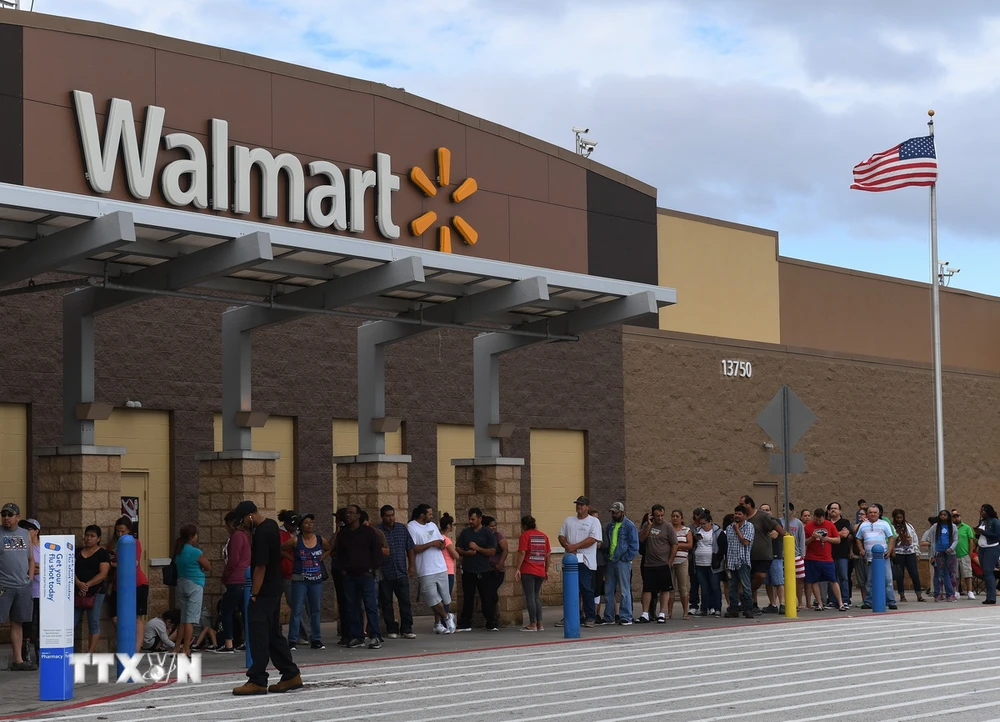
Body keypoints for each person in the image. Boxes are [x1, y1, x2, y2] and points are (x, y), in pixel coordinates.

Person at [231, 500, 302, 695]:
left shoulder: (261, 533)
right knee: (272, 634)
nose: (244, 525)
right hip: (274, 588)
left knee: (258, 634)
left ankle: (257, 679)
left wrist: (254, 594)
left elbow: (260, 566)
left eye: (244, 521)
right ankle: (290, 674)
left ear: (250, 516)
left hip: (263, 592)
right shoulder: (271, 525)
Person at [335, 505, 385, 649]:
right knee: (352, 607)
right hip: (350, 576)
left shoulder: (369, 532)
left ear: (358, 515)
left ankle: (375, 635)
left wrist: (372, 567)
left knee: (370, 606)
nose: (348, 516)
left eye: (351, 513)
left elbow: (377, 552)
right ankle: (357, 636)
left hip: (366, 575)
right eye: (347, 513)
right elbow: (339, 554)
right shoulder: (343, 535)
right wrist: (343, 570)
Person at [282, 513, 331, 649]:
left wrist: (322, 558)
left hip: (316, 579)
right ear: (301, 526)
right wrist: (292, 559)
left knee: (315, 610)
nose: (309, 525)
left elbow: (329, 548)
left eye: (311, 522)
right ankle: (292, 639)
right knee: (297, 610)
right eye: (306, 523)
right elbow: (281, 549)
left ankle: (316, 639)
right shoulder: (296, 540)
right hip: (300, 580)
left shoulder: (320, 539)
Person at [408, 504, 454, 634]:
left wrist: (441, 545)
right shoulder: (412, 527)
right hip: (425, 569)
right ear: (422, 515)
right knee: (433, 599)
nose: (432, 516)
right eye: (429, 514)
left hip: (440, 566)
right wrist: (431, 544)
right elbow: (413, 548)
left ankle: (438, 624)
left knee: (444, 598)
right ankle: (447, 616)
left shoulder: (432, 525)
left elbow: (440, 542)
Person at [557, 496, 602, 627]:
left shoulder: (594, 521)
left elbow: (593, 539)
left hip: (585, 561)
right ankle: (571, 616)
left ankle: (590, 617)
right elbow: (561, 535)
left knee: (586, 589)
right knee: (570, 589)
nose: (579, 507)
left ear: (587, 507)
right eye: (577, 505)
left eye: (582, 505)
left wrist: (574, 547)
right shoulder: (569, 520)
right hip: (570, 559)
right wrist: (567, 546)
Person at [1, 503, 35, 670]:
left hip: (22, 586)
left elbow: (30, 558)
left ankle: (18, 660)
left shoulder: (24, 534)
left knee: (18, 622)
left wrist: (29, 578)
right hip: (3, 586)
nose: (6, 518)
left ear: (17, 517)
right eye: (4, 514)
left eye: (10, 514)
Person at [107, 516, 149, 653]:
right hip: (117, 584)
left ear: (129, 531)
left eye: (123, 532)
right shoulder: (113, 544)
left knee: (137, 617)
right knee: (114, 615)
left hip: (137, 583)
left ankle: (136, 649)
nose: (120, 534)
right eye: (118, 531)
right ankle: (127, 641)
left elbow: (133, 562)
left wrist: (113, 564)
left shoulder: (134, 542)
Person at [374, 505, 415, 640]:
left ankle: (407, 629)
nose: (390, 518)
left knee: (405, 601)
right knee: (386, 602)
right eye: (387, 516)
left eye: (392, 515)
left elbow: (409, 548)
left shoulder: (402, 529)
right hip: (385, 572)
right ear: (382, 517)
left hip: (401, 571)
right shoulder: (377, 531)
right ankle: (391, 628)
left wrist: (411, 566)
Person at [456, 507, 499, 631]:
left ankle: (491, 622)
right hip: (468, 570)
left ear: (480, 519)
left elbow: (492, 551)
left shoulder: (487, 533)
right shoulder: (465, 533)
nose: (471, 521)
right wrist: (466, 553)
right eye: (470, 519)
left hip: (483, 571)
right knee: (468, 597)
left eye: (473, 519)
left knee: (486, 598)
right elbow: (458, 548)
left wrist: (478, 548)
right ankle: (465, 623)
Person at [739, 495, 782, 615]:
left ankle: (745, 595)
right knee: (749, 579)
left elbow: (775, 525)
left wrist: (784, 534)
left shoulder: (762, 516)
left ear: (749, 504)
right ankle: (752, 605)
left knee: (760, 576)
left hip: (763, 554)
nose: (740, 507)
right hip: (748, 555)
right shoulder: (742, 518)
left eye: (742, 504)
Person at [173, 523, 210, 656]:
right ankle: (186, 649)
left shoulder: (178, 551)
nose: (196, 537)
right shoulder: (196, 552)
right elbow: (208, 566)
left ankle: (177, 648)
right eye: (195, 535)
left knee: (183, 618)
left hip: (181, 583)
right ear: (191, 537)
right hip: (195, 584)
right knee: (191, 619)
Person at [74, 524, 110, 654]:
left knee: (93, 622)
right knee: (71, 621)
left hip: (95, 593)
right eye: (87, 535)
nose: (89, 538)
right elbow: (70, 568)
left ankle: (90, 653)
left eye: (92, 536)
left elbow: (103, 574)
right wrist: (79, 583)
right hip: (77, 592)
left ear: (98, 538)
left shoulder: (103, 554)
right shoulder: (77, 552)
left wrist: (87, 585)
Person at [804, 508, 847, 612]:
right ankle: (819, 603)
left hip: (827, 558)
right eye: (816, 520)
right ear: (814, 517)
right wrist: (812, 538)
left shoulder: (830, 525)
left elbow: (838, 540)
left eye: (820, 520)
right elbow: (804, 542)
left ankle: (840, 603)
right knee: (814, 581)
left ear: (824, 517)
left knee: (833, 580)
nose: (818, 522)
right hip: (812, 558)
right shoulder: (809, 526)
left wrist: (827, 539)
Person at [219, 510, 251, 653]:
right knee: (244, 612)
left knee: (227, 611)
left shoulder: (236, 536)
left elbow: (233, 560)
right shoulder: (245, 536)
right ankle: (247, 641)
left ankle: (229, 643)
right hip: (244, 578)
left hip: (235, 579)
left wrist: (225, 575)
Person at [602, 502, 638, 625]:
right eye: (612, 512)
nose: (614, 514)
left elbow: (634, 545)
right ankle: (609, 616)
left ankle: (626, 616)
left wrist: (626, 558)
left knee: (624, 590)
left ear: (622, 512)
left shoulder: (629, 525)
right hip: (611, 560)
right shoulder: (610, 526)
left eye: (616, 512)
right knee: (608, 590)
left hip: (623, 561)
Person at [855, 505, 897, 610]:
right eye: (870, 512)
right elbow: (858, 538)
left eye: (875, 512)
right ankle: (869, 602)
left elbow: (891, 538)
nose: (872, 514)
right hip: (869, 558)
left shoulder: (884, 524)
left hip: (883, 557)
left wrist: (889, 550)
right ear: (867, 514)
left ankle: (891, 601)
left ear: (878, 514)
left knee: (888, 580)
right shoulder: (863, 525)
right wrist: (861, 549)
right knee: (869, 581)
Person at [277, 509, 308, 645]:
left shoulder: (297, 533)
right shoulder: (281, 533)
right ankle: (303, 634)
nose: (294, 527)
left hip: (298, 573)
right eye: (292, 524)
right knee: (296, 605)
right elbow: (280, 549)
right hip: (286, 573)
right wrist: (292, 558)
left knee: (300, 605)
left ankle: (302, 633)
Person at [514, 515, 550, 631]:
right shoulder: (544, 536)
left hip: (528, 570)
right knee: (536, 597)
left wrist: (518, 569)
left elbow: (522, 553)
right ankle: (540, 624)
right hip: (540, 570)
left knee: (530, 597)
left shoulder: (525, 535)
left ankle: (532, 624)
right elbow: (548, 555)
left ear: (524, 526)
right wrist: (546, 570)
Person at [17, 517, 40, 667]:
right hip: (26, 591)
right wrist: (35, 567)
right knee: (26, 623)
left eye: (29, 529)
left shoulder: (44, 547)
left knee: (39, 625)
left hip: (42, 592)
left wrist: (36, 567)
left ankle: (40, 655)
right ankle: (25, 656)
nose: (26, 531)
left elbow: (49, 567)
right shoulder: (21, 547)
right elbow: (23, 568)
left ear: (37, 531)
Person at [724, 505, 755, 619]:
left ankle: (748, 609)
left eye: (739, 514)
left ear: (745, 516)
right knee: (732, 586)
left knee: (746, 586)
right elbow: (729, 546)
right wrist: (726, 561)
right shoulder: (729, 528)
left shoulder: (749, 527)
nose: (737, 516)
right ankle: (733, 609)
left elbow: (745, 542)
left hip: (743, 560)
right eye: (736, 513)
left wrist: (737, 530)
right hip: (732, 560)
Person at [890, 509, 924, 603]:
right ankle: (902, 595)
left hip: (910, 553)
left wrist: (917, 552)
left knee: (914, 574)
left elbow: (915, 539)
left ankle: (919, 595)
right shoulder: (892, 527)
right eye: (897, 518)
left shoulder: (909, 526)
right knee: (900, 575)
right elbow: (891, 539)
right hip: (898, 553)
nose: (899, 519)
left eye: (901, 517)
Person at [693, 512, 723, 617]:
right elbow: (693, 545)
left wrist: (718, 559)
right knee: (704, 588)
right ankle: (704, 608)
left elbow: (723, 547)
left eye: (704, 523)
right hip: (700, 564)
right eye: (700, 524)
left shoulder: (718, 532)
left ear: (710, 522)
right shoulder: (697, 531)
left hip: (713, 565)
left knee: (715, 587)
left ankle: (717, 608)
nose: (702, 526)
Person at [826, 502, 854, 608]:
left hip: (842, 554)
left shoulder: (845, 522)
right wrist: (838, 534)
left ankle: (845, 600)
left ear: (840, 511)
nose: (833, 510)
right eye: (831, 508)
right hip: (829, 554)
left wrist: (830, 536)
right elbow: (824, 535)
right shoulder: (826, 522)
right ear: (828, 511)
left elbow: (845, 534)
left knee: (843, 577)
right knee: (832, 578)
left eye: (836, 508)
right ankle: (833, 600)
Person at [927, 509, 958, 602]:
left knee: (948, 573)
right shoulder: (935, 527)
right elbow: (932, 541)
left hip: (949, 553)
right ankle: (938, 594)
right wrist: (932, 555)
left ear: (948, 516)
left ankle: (950, 594)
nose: (943, 516)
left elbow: (956, 539)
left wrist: (951, 548)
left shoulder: (953, 527)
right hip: (938, 553)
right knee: (938, 574)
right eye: (941, 515)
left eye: (945, 515)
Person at [484, 516, 509, 627]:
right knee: (488, 593)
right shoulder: (483, 536)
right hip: (485, 569)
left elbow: (505, 550)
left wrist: (500, 563)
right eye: (491, 526)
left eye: (495, 526)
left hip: (497, 570)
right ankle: (491, 618)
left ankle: (494, 618)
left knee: (491, 592)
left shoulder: (498, 536)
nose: (493, 528)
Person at [668, 509, 693, 621]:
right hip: (670, 561)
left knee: (683, 587)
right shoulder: (668, 529)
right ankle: (669, 612)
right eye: (673, 516)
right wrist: (677, 545)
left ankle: (685, 612)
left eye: (677, 516)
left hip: (682, 561)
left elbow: (689, 544)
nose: (675, 518)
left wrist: (677, 546)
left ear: (681, 518)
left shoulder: (686, 530)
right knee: (670, 588)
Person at [759, 503, 783, 614]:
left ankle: (782, 604)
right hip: (764, 557)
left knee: (778, 582)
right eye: (762, 510)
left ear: (771, 512)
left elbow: (774, 535)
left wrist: (761, 536)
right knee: (768, 582)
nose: (765, 511)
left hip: (775, 556)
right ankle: (772, 604)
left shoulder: (776, 522)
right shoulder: (758, 522)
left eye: (767, 510)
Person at [975, 505, 1000, 605]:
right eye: (980, 510)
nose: (981, 512)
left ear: (988, 511)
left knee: (988, 572)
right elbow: (980, 535)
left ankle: (992, 597)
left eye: (983, 510)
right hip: (982, 549)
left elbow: (997, 536)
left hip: (991, 548)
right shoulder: (982, 522)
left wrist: (983, 532)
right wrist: (977, 533)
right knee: (986, 572)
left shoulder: (995, 521)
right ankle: (988, 596)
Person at [952, 509, 977, 600]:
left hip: (965, 554)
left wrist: (970, 553)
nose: (956, 518)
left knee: (967, 574)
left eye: (957, 516)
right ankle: (956, 591)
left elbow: (971, 540)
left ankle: (970, 592)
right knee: (956, 575)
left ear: (960, 517)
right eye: (954, 517)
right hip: (954, 554)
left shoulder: (966, 527)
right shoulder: (951, 528)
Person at [439, 513, 459, 617]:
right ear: (448, 526)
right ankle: (445, 620)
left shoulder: (438, 537)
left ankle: (440, 621)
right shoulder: (446, 539)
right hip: (448, 570)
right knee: (446, 597)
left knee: (441, 597)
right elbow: (455, 555)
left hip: (441, 570)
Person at [591, 510, 609, 623]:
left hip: (600, 562)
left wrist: (599, 545)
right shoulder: (586, 529)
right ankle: (585, 613)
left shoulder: (601, 530)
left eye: (598, 518)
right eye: (594, 518)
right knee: (587, 589)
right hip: (588, 562)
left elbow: (606, 544)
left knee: (597, 589)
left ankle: (596, 613)